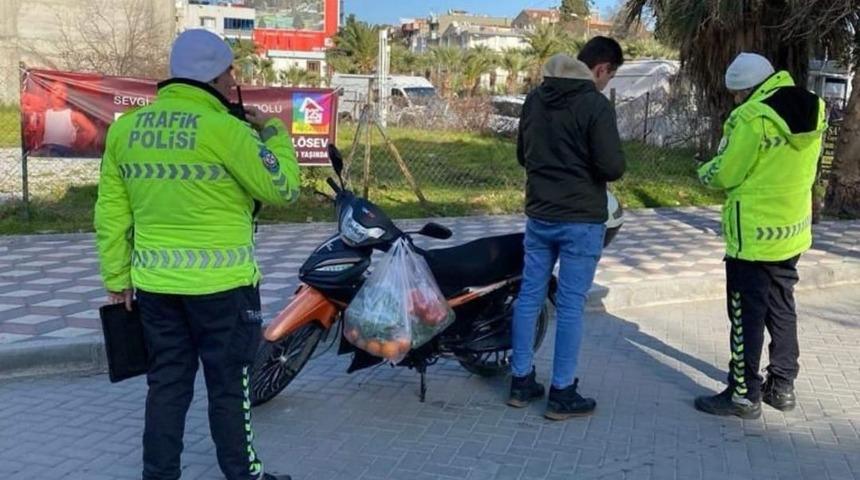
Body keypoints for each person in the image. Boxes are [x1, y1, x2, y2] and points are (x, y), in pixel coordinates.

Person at [94, 29, 300, 480]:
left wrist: (116, 279)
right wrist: (276, 134)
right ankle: (244, 475)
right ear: (214, 74)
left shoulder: (126, 130)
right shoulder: (225, 130)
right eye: (230, 70)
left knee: (166, 388)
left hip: (154, 289)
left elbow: (112, 210)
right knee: (229, 389)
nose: (233, 80)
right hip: (224, 290)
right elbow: (283, 187)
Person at [694, 53, 827, 419]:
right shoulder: (814, 107)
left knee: (745, 314)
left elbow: (727, 173)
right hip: (791, 232)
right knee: (782, 305)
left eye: (737, 94)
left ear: (747, 90)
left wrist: (705, 171)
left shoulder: (752, 118)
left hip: (752, 236)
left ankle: (743, 394)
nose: (736, 101)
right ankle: (782, 386)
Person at [508, 37, 626, 420]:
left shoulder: (535, 99)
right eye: (610, 76)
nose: (606, 84)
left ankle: (520, 381)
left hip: (539, 215)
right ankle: (561, 392)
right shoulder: (594, 104)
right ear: (602, 68)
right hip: (581, 220)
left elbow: (522, 155)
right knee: (571, 305)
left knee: (529, 297)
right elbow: (612, 167)